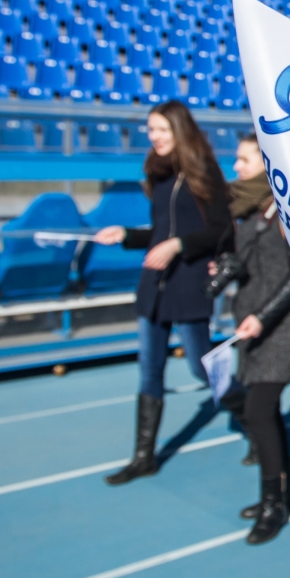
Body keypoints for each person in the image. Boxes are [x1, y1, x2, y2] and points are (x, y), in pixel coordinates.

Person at [94, 101, 230, 486]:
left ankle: (250, 412)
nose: (153, 137)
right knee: (149, 371)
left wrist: (178, 246)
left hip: (187, 284)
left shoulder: (205, 173)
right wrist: (125, 235)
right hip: (153, 287)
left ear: (179, 131)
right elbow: (158, 233)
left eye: (161, 131)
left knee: (199, 367)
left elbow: (222, 232)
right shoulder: (158, 173)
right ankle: (143, 456)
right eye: (151, 131)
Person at [216, 133, 290, 544]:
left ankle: (274, 503)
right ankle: (280, 489)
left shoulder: (288, 210)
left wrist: (263, 316)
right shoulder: (251, 209)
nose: (236, 166)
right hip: (251, 324)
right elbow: (249, 264)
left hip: (283, 324)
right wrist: (224, 269)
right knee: (264, 410)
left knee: (258, 410)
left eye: (244, 159)